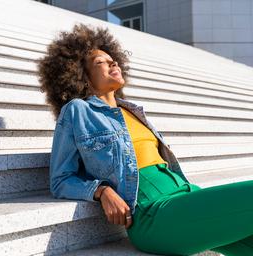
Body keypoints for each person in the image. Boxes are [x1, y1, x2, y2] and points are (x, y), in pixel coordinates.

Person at [37, 23, 253, 256]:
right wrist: (101, 191)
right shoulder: (78, 111)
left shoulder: (132, 112)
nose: (113, 63)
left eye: (113, 59)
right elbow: (60, 180)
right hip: (154, 213)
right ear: (81, 76)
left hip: (186, 194)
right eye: (100, 62)